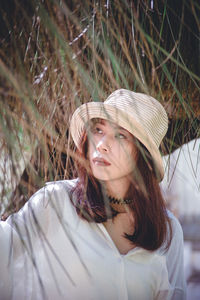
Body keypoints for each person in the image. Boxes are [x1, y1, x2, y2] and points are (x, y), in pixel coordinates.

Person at [0, 89, 186, 299]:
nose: (102, 144)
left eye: (121, 135)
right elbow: (5, 247)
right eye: (98, 130)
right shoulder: (55, 201)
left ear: (143, 155)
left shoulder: (168, 231)